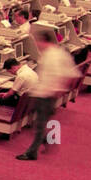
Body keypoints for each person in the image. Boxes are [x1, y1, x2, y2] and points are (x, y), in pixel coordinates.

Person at [16, 30, 79, 162]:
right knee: (38, 122)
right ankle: (47, 140)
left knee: (39, 124)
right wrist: (62, 90)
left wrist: (56, 90)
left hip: (45, 94)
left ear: (44, 41)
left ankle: (32, 153)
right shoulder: (59, 52)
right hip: (44, 93)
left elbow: (59, 75)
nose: (37, 45)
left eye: (38, 42)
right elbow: (73, 73)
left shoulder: (51, 56)